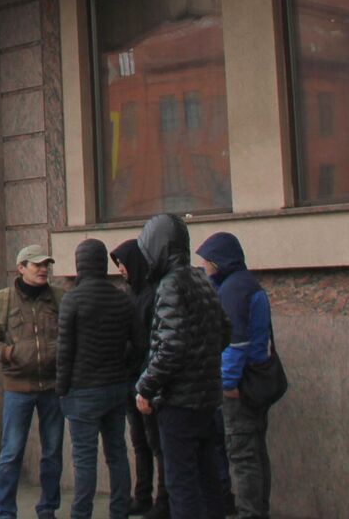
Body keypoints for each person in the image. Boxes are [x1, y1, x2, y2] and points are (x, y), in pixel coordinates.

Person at [132, 214, 230, 519]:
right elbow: (223, 331)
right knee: (208, 477)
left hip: (180, 403)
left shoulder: (170, 285)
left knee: (182, 483)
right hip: (206, 397)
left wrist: (145, 386)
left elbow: (170, 346)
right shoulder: (200, 279)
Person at [0, 244, 64, 519]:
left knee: (52, 452)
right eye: (36, 264)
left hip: (52, 387)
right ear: (21, 268)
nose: (43, 269)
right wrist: (11, 353)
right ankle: (5, 511)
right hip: (18, 388)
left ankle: (48, 508)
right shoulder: (2, 301)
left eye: (46, 265)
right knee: (12, 452)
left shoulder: (60, 298)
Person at [58, 238, 138, 519]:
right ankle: (119, 512)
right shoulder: (122, 298)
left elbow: (65, 350)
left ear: (80, 264)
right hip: (116, 387)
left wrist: (61, 389)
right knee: (117, 453)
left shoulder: (72, 300)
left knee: (84, 459)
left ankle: (81, 514)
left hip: (82, 390)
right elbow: (136, 344)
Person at [197, 232, 273, 519]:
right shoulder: (246, 284)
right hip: (256, 381)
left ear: (218, 260)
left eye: (207, 261)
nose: (204, 266)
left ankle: (249, 513)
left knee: (242, 455)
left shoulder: (233, 290)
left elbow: (236, 344)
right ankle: (258, 510)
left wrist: (227, 384)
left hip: (239, 385)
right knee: (255, 451)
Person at [111, 240, 164, 517]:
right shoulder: (132, 295)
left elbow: (150, 343)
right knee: (140, 442)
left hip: (146, 380)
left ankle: (161, 499)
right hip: (132, 379)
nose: (120, 269)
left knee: (155, 443)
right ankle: (142, 495)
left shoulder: (152, 296)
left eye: (122, 263)